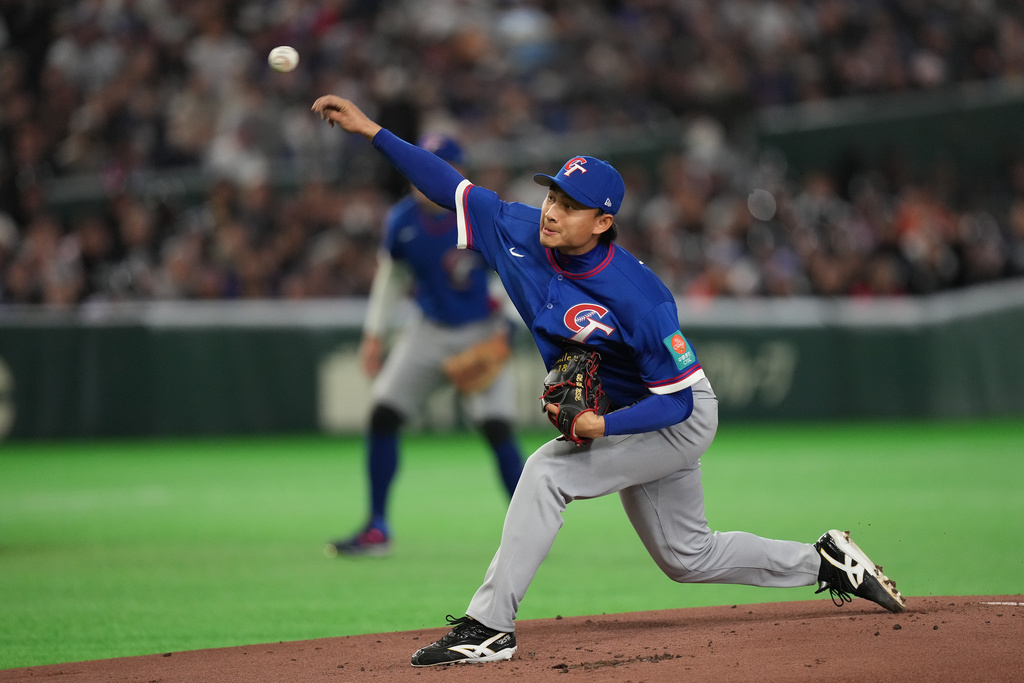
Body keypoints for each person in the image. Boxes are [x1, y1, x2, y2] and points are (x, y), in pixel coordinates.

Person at [311, 95, 906, 664]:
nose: (552, 210)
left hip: (670, 415)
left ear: (602, 221)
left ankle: (489, 627)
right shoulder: (514, 228)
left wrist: (602, 425)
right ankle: (828, 563)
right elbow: (448, 185)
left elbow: (678, 405)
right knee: (687, 556)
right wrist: (373, 132)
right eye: (552, 194)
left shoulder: (640, 296)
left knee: (546, 472)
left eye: (570, 205)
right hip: (627, 413)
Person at [325, 133, 525, 557]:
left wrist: (506, 330)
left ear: (457, 173)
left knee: (497, 428)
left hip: (481, 328)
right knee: (383, 414)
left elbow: (514, 276)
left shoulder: (477, 215)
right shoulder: (403, 219)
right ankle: (377, 527)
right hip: (428, 329)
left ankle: (530, 528)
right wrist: (374, 335)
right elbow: (391, 277)